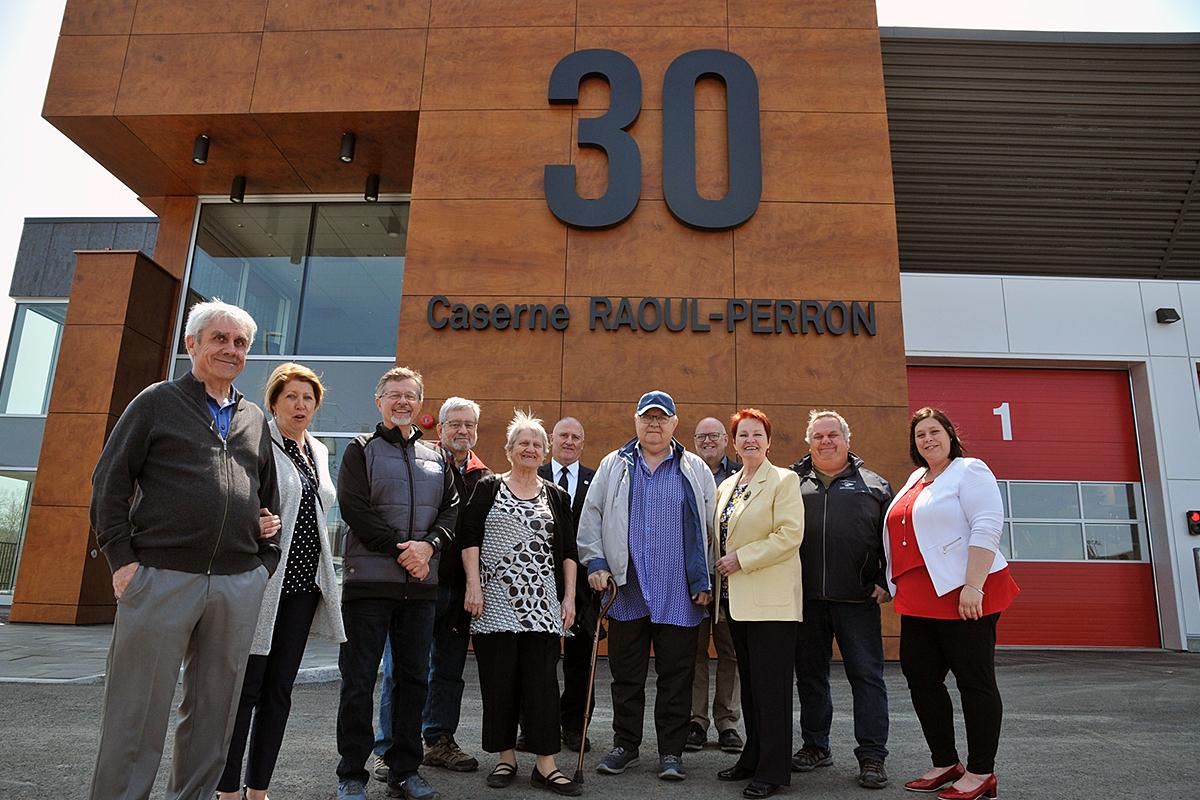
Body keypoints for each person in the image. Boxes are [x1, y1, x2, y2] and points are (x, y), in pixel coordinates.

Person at [88, 299, 281, 800]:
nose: (230, 350)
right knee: (136, 712)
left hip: (237, 584)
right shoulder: (156, 401)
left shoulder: (255, 418)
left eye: (240, 343)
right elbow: (109, 483)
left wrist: (263, 563)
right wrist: (122, 561)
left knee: (214, 716)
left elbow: (268, 501)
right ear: (192, 344)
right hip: (159, 576)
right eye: (219, 338)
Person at [218, 363, 348, 800]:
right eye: (291, 397)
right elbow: (231, 495)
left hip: (303, 590)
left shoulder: (318, 450)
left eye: (308, 398)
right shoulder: (256, 443)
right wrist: (252, 521)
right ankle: (226, 788)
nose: (300, 405)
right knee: (246, 688)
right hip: (263, 583)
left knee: (279, 691)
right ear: (273, 402)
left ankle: (259, 788)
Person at [577, 390, 716, 782]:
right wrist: (597, 562)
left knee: (677, 676)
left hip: (679, 593)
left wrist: (703, 577)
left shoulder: (694, 469)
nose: (654, 424)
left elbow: (709, 529)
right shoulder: (614, 465)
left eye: (662, 418)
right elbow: (593, 516)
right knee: (626, 675)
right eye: (647, 417)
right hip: (627, 590)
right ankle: (625, 746)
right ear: (635, 421)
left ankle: (671, 752)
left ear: (675, 423)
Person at [335, 367, 459, 800]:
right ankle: (352, 773)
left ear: (420, 404)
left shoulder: (436, 456)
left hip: (419, 590)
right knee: (358, 681)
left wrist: (428, 548)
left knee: (413, 680)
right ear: (379, 401)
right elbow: (354, 508)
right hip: (368, 586)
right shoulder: (359, 450)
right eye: (393, 395)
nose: (402, 401)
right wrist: (402, 550)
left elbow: (451, 511)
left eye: (410, 395)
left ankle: (405, 771)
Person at [884, 408, 1019, 800]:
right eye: (920, 435)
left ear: (950, 434)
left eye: (934, 431)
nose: (928, 439)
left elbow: (988, 524)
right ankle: (946, 762)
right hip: (918, 599)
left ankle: (981, 772)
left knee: (974, 682)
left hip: (964, 595)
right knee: (922, 680)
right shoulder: (915, 478)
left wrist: (973, 585)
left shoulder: (970, 470)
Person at [461, 411, 581, 796]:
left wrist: (569, 596)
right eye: (523, 443)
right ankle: (505, 757)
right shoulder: (488, 488)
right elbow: (469, 539)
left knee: (542, 684)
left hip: (542, 605)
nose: (530, 449)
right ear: (509, 450)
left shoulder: (556, 495)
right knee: (500, 682)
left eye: (536, 444)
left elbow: (567, 551)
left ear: (545, 453)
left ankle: (546, 764)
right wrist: (473, 586)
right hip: (493, 602)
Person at [789, 410, 893, 789]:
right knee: (811, 676)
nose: (826, 441)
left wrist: (885, 579)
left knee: (866, 677)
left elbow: (893, 541)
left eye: (833, 435)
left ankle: (871, 756)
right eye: (818, 436)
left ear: (847, 440)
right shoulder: (791, 482)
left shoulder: (874, 485)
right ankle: (816, 745)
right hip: (806, 601)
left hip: (858, 600)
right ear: (809, 442)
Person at [711, 409, 805, 800]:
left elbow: (790, 534)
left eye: (757, 434)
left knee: (772, 689)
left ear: (768, 440)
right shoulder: (727, 485)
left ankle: (773, 770)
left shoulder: (784, 480)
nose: (749, 440)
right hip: (736, 602)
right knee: (750, 687)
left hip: (771, 604)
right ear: (734, 443)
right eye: (742, 435)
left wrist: (741, 559)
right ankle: (753, 755)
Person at [422, 397, 491, 771]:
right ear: (440, 428)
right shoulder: (420, 464)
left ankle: (439, 740)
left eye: (469, 425)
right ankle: (392, 747)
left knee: (448, 669)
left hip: (460, 589)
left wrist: (474, 585)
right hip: (418, 584)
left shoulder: (485, 477)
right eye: (455, 424)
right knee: (406, 668)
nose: (463, 431)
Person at [539, 416, 597, 752]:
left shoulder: (595, 480)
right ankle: (536, 724)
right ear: (552, 439)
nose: (569, 442)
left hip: (585, 588)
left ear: (583, 442)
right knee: (539, 661)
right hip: (539, 582)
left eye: (576, 437)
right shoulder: (533, 476)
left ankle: (576, 726)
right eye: (564, 436)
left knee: (580, 662)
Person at [687, 417, 744, 755]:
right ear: (694, 441)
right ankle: (696, 721)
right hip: (693, 579)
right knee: (693, 652)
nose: (708, 441)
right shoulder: (685, 472)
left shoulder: (741, 477)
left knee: (730, 651)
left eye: (714, 436)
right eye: (701, 436)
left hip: (729, 578)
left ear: (726, 440)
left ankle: (727, 723)